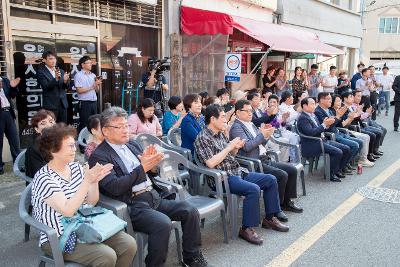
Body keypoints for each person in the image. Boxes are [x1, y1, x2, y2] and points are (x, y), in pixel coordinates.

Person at [88, 107, 209, 267]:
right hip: (132, 205)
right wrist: (142, 168)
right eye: (119, 127)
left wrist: (152, 166)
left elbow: (152, 172)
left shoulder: (132, 144)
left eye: (126, 126)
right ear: (105, 131)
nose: (125, 130)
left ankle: (191, 257)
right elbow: (115, 187)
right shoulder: (99, 156)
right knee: (163, 224)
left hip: (153, 195)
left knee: (190, 211)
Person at [32, 123, 137, 266]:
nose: (74, 149)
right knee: (106, 256)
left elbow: (91, 202)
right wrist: (87, 181)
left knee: (128, 244)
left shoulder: (75, 167)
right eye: (69, 146)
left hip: (85, 225)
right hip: (59, 236)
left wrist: (93, 182)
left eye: (74, 145)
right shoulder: (44, 178)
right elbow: (68, 211)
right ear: (53, 150)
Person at [195, 104, 289, 246]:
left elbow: (229, 155)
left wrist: (234, 148)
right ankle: (246, 229)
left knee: (271, 179)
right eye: (222, 118)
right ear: (212, 119)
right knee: (253, 189)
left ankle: (269, 218)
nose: (226, 121)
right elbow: (210, 163)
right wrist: (229, 147)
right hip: (222, 178)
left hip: (237, 171)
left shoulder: (220, 133)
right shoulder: (202, 138)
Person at [230, 100, 302, 214]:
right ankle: (277, 208)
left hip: (263, 158)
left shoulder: (251, 124)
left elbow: (260, 143)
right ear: (238, 112)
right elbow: (247, 146)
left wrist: (266, 135)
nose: (250, 114)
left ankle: (286, 202)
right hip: (253, 162)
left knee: (292, 170)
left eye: (251, 111)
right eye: (247, 111)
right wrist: (262, 135)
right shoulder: (237, 127)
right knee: (281, 175)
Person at [297, 97, 350, 182]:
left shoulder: (312, 115)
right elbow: (312, 133)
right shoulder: (303, 118)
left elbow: (319, 128)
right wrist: (324, 125)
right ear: (304, 106)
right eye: (312, 104)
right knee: (338, 152)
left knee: (346, 148)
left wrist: (326, 124)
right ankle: (330, 174)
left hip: (321, 140)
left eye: (315, 104)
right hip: (312, 144)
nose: (314, 106)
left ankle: (338, 169)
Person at [314, 93, 361, 172]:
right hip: (331, 136)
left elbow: (338, 125)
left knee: (360, 142)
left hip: (338, 132)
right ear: (321, 100)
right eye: (328, 99)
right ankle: (340, 167)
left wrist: (344, 117)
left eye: (331, 99)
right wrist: (338, 116)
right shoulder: (318, 111)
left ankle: (344, 164)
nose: (330, 100)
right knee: (354, 145)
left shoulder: (328, 110)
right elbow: (327, 128)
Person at [332, 93, 374, 167]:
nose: (339, 103)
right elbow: (342, 125)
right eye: (338, 101)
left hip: (347, 129)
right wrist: (352, 116)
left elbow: (345, 123)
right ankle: (350, 162)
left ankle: (355, 160)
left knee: (368, 136)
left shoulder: (342, 109)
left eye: (340, 101)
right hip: (345, 130)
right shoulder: (340, 109)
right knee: (362, 139)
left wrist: (356, 114)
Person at [36, 51, 70, 123]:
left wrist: (65, 81)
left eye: (54, 58)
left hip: (63, 104)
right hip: (50, 105)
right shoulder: (41, 72)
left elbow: (65, 87)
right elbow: (46, 87)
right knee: (51, 128)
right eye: (51, 59)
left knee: (63, 128)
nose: (53, 61)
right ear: (44, 60)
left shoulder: (61, 71)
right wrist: (56, 79)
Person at [25, 109, 56, 178]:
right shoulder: (34, 149)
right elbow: (40, 175)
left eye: (51, 122)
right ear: (37, 129)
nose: (49, 126)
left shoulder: (58, 140)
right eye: (43, 123)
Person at [74, 56, 101, 132]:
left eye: (91, 63)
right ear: (82, 65)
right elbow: (79, 90)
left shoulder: (93, 75)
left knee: (95, 122)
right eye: (88, 63)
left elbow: (97, 91)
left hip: (94, 102)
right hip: (85, 103)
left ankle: (93, 140)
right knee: (84, 123)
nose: (90, 64)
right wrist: (93, 86)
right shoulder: (78, 75)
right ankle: (82, 142)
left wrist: (97, 85)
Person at [0, 75, 21, 175]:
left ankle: (18, 164)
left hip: (8, 112)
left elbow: (12, 95)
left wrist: (13, 87)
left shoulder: (4, 79)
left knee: (14, 140)